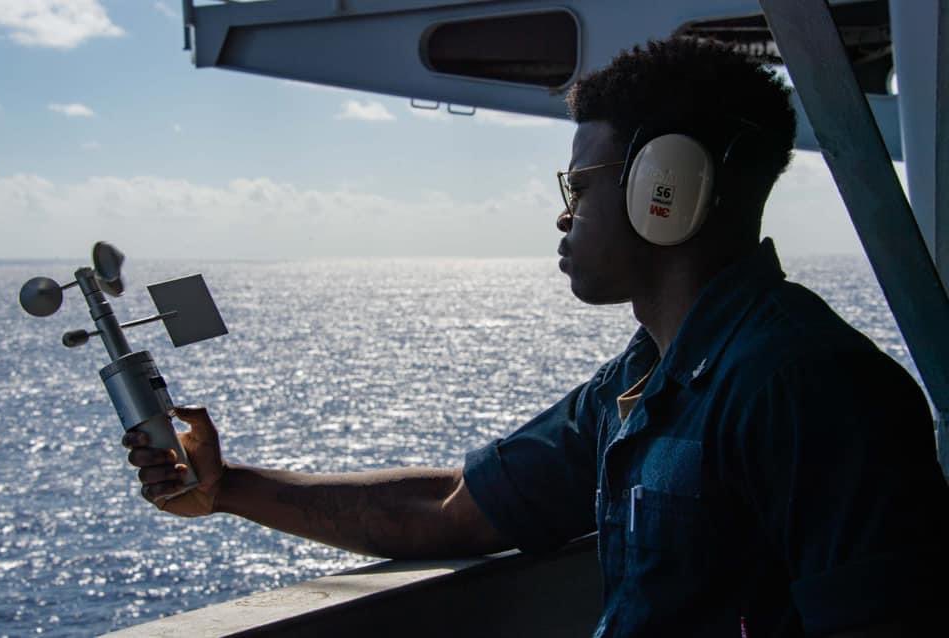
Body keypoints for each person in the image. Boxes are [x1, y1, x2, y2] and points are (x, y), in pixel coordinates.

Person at [124, 38, 949, 636]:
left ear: (664, 190)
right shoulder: (640, 386)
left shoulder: (809, 387)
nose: (564, 213)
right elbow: (447, 508)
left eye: (580, 185)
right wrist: (228, 486)